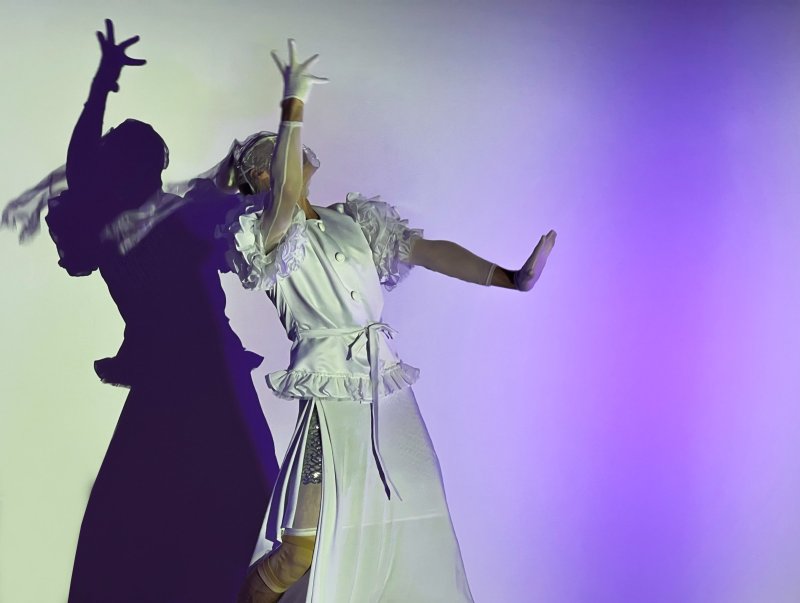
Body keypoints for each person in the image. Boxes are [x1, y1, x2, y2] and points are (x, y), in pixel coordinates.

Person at [227, 40, 557, 602]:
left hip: (386, 392)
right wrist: (292, 105)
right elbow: (283, 197)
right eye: (271, 156)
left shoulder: (354, 222)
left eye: (285, 151)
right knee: (299, 551)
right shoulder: (265, 234)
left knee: (416, 527)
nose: (285, 160)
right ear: (259, 175)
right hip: (332, 398)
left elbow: (431, 251)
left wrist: (510, 277)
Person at [5, 21, 279, 601]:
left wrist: (103, 84)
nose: (154, 172)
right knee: (192, 505)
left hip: (192, 377)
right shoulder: (140, 224)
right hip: (194, 381)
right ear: (132, 170)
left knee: (208, 502)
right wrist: (102, 86)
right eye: (147, 162)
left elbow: (266, 210)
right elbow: (83, 162)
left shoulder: (177, 216)